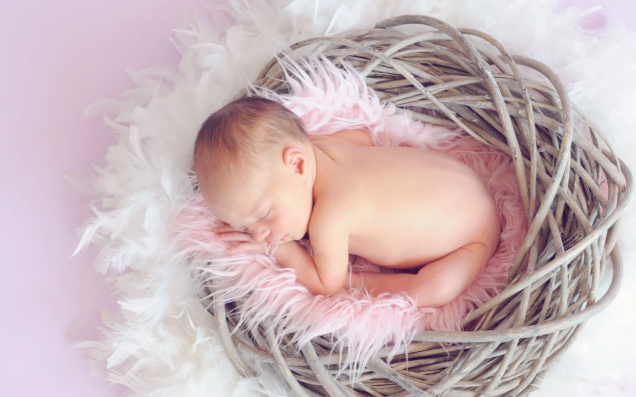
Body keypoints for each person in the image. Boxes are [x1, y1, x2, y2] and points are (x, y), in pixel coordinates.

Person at [193, 96, 501, 308]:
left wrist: (281, 250)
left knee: (433, 290)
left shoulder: (330, 218)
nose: (259, 235)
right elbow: (363, 139)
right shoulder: (320, 146)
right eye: (245, 228)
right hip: (463, 178)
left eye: (264, 214)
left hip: (471, 240)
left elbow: (326, 283)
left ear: (298, 164)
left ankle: (360, 280)